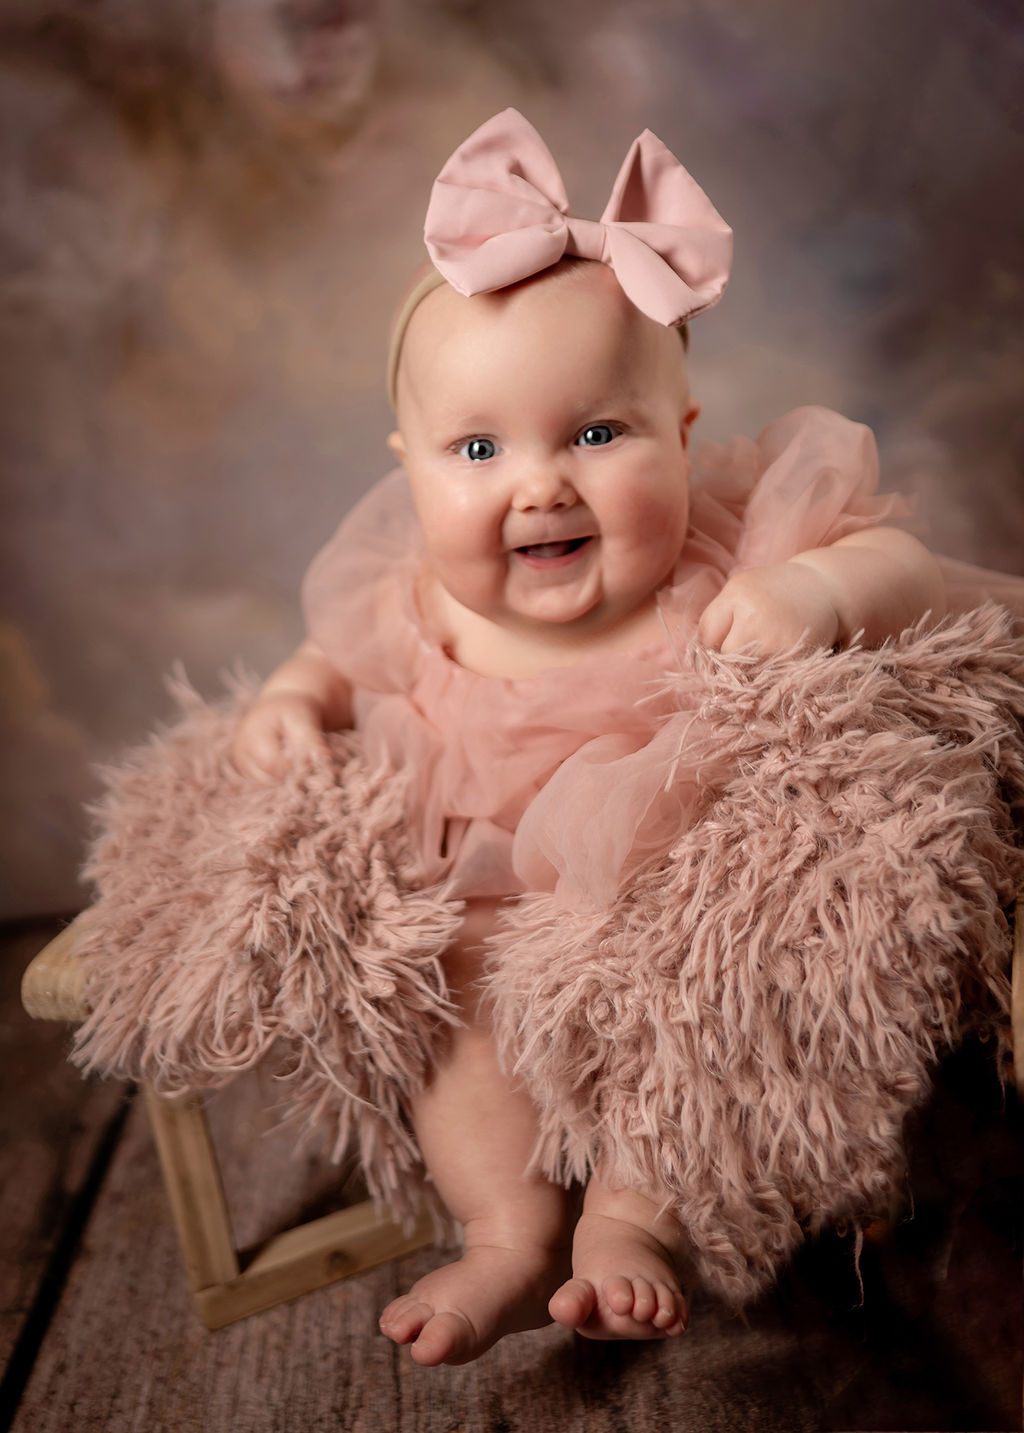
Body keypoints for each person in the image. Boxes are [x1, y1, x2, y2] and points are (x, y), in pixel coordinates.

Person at [230, 110, 946, 1365]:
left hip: (679, 902)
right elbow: (342, 659)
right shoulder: (415, 593)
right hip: (493, 904)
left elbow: (900, 557)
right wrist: (290, 699)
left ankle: (631, 1222)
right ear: (411, 472)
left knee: (692, 1023)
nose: (540, 483)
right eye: (477, 448)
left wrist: (813, 598)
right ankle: (505, 1233)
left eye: (596, 433)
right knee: (461, 1035)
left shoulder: (730, 547)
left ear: (680, 435)